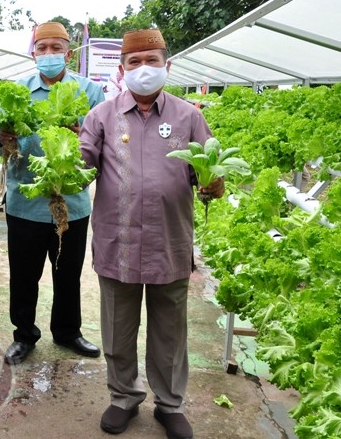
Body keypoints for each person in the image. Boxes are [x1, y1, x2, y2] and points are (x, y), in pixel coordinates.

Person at [78, 28, 225, 439]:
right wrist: (62, 167)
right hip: (118, 240)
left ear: (167, 64)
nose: (144, 70)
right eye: (134, 63)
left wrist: (215, 183)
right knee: (118, 327)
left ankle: (170, 404)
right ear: (122, 69)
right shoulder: (101, 115)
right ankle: (123, 397)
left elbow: (209, 169)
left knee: (170, 330)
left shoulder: (188, 116)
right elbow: (82, 161)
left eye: (152, 61)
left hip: (169, 241)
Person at [0, 21, 105, 365]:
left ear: (68, 54)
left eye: (56, 48)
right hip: (24, 202)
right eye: (42, 49)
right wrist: (6, 139)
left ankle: (68, 331)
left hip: (70, 203)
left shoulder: (90, 92)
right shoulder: (17, 89)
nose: (49, 55)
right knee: (24, 276)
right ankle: (24, 334)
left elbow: (103, 147)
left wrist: (81, 135)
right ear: (32, 54)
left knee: (68, 274)